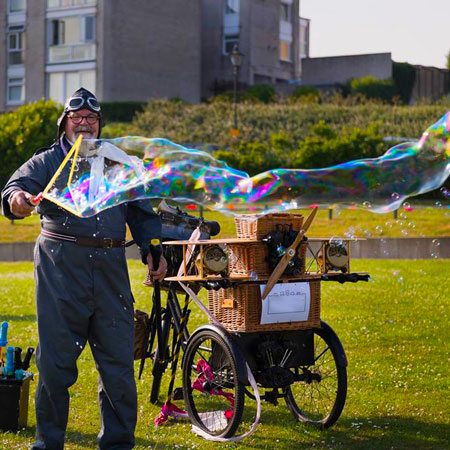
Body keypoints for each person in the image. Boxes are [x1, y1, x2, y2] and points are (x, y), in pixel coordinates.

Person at [1, 87, 167, 450]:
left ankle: (118, 444)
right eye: (76, 118)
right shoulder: (47, 160)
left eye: (91, 118)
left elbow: (141, 213)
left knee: (118, 361)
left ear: (99, 124)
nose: (84, 123)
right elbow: (15, 189)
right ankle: (49, 444)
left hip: (110, 268)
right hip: (61, 267)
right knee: (56, 365)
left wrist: (152, 247)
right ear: (65, 123)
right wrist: (17, 201)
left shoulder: (117, 162)